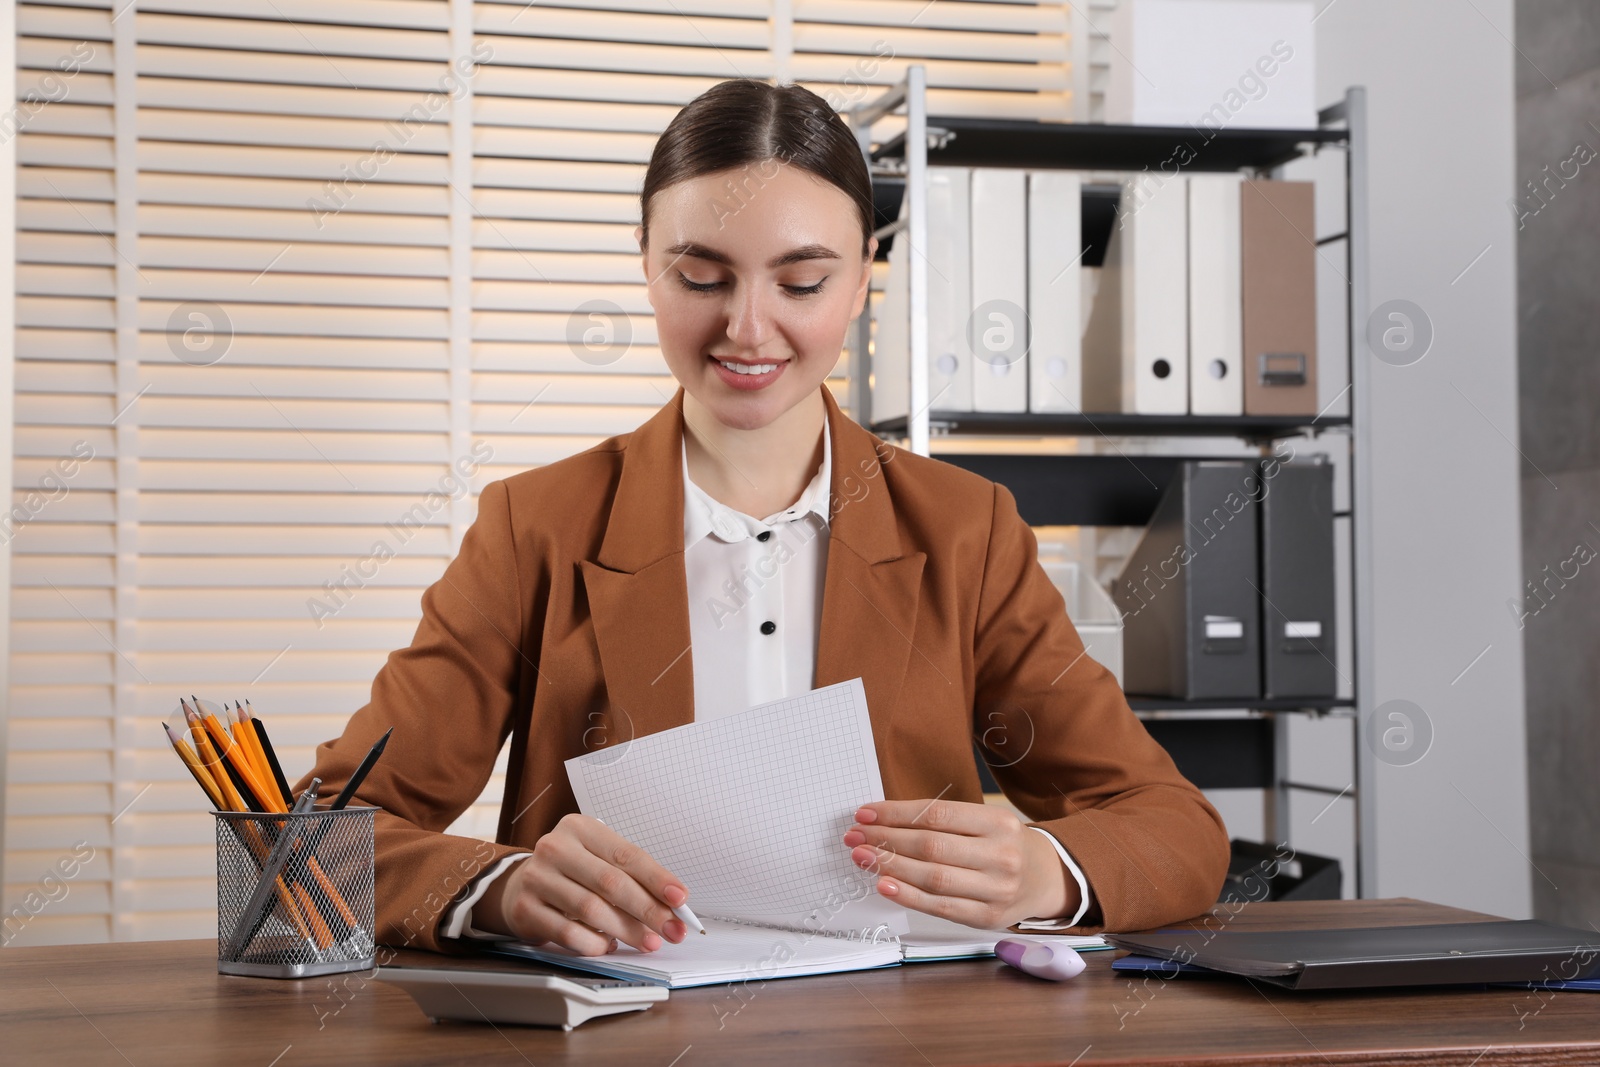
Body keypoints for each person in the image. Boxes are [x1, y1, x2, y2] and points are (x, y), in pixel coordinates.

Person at [297, 78, 1230, 959]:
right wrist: (494, 889)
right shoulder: (534, 526)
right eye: (702, 277)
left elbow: (1173, 827)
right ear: (648, 268)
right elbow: (310, 840)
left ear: (864, 276)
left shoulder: (966, 529)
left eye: (802, 282)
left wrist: (1045, 871)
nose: (748, 328)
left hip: (909, 1037)